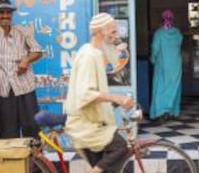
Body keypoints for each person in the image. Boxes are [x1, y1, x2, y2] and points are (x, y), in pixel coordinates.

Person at [64, 12, 134, 173]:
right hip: (85, 125)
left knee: (107, 167)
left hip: (93, 123)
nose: (115, 37)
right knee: (120, 148)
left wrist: (112, 102)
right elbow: (86, 94)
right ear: (100, 32)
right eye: (112, 32)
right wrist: (117, 97)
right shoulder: (89, 56)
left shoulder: (94, 53)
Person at [0, 0, 42, 138]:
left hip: (25, 86)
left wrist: (26, 60)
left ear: (12, 14)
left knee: (32, 128)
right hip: (3, 88)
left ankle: (34, 159)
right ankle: (14, 159)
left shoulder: (21, 31)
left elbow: (38, 51)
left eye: (8, 12)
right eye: (1, 12)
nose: (5, 16)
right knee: (8, 130)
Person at [149, 9, 183, 122]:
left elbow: (155, 49)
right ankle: (174, 112)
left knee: (160, 88)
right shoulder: (177, 33)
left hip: (163, 65)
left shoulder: (159, 33)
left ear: (161, 19)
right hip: (176, 65)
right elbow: (179, 44)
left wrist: (152, 59)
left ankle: (161, 112)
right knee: (175, 87)